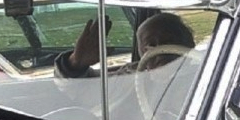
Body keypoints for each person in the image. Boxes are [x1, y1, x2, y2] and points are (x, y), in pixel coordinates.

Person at [54, 12, 195, 78]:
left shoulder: (208, 78)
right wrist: (76, 63)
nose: (160, 50)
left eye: (168, 42)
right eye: (151, 44)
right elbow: (83, 91)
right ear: (141, 52)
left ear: (189, 45)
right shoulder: (129, 77)